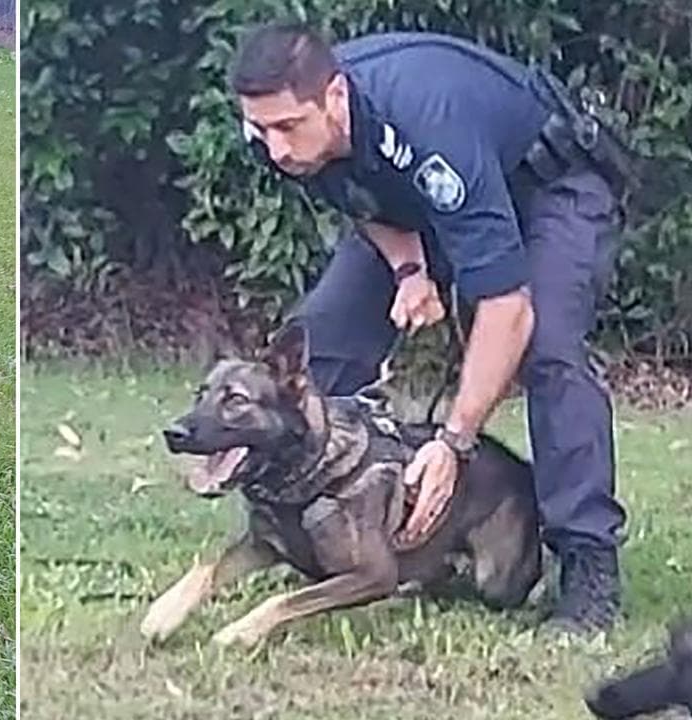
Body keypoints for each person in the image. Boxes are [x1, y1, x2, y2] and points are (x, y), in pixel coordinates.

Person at [231, 22, 632, 633]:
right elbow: (357, 195)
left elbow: (507, 308)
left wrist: (453, 442)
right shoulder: (283, 127)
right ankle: (307, 523)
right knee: (322, 338)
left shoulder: (427, 123)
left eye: (287, 128)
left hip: (548, 185)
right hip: (426, 207)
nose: (275, 147)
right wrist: (410, 269)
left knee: (548, 349)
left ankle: (587, 565)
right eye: (262, 130)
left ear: (334, 97)